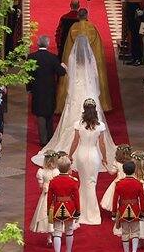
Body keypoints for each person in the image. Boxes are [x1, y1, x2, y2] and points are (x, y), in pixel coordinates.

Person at [31, 35, 117, 175]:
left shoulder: (72, 58)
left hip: (76, 92)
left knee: (72, 117)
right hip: (89, 91)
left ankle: (68, 146)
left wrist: (66, 71)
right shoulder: (90, 58)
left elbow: (69, 77)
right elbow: (95, 76)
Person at [56, 8, 113, 113]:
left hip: (77, 65)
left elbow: (69, 47)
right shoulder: (91, 27)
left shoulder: (73, 28)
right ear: (86, 16)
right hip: (89, 63)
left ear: (78, 16)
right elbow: (97, 47)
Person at [69, 98, 108, 225]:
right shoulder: (100, 125)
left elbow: (75, 141)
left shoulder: (79, 124)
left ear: (84, 110)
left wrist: (70, 155)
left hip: (81, 153)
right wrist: (105, 157)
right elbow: (102, 144)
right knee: (91, 183)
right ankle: (92, 214)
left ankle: (81, 212)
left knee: (83, 183)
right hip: (93, 155)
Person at [27, 35, 67, 147]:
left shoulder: (31, 57)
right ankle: (50, 137)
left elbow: (28, 74)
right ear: (48, 44)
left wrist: (29, 88)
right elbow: (61, 72)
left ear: (38, 44)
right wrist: (63, 67)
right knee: (49, 113)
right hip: (50, 89)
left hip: (37, 89)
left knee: (40, 113)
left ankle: (43, 140)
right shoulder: (53, 57)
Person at [47, 156, 80, 252]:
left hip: (57, 206)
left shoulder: (53, 181)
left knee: (57, 232)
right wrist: (78, 210)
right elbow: (76, 197)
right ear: (69, 167)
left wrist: (48, 210)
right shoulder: (73, 181)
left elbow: (49, 198)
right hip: (69, 207)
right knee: (69, 230)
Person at [112, 161, 144, 252]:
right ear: (134, 170)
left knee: (125, 233)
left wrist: (114, 212)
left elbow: (115, 200)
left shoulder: (119, 183)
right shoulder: (138, 183)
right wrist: (143, 212)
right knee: (135, 232)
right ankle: (134, 251)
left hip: (123, 210)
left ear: (124, 171)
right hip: (135, 209)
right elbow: (142, 199)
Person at [30, 150, 60, 245]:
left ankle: (49, 237)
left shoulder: (41, 172)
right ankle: (56, 234)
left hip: (46, 197)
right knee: (55, 214)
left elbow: (40, 186)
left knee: (48, 215)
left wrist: (46, 186)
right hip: (56, 196)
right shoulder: (57, 171)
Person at [100, 144, 133, 211]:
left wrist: (105, 166)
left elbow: (111, 173)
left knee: (116, 197)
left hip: (119, 181)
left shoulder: (116, 162)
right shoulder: (131, 162)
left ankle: (117, 210)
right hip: (129, 180)